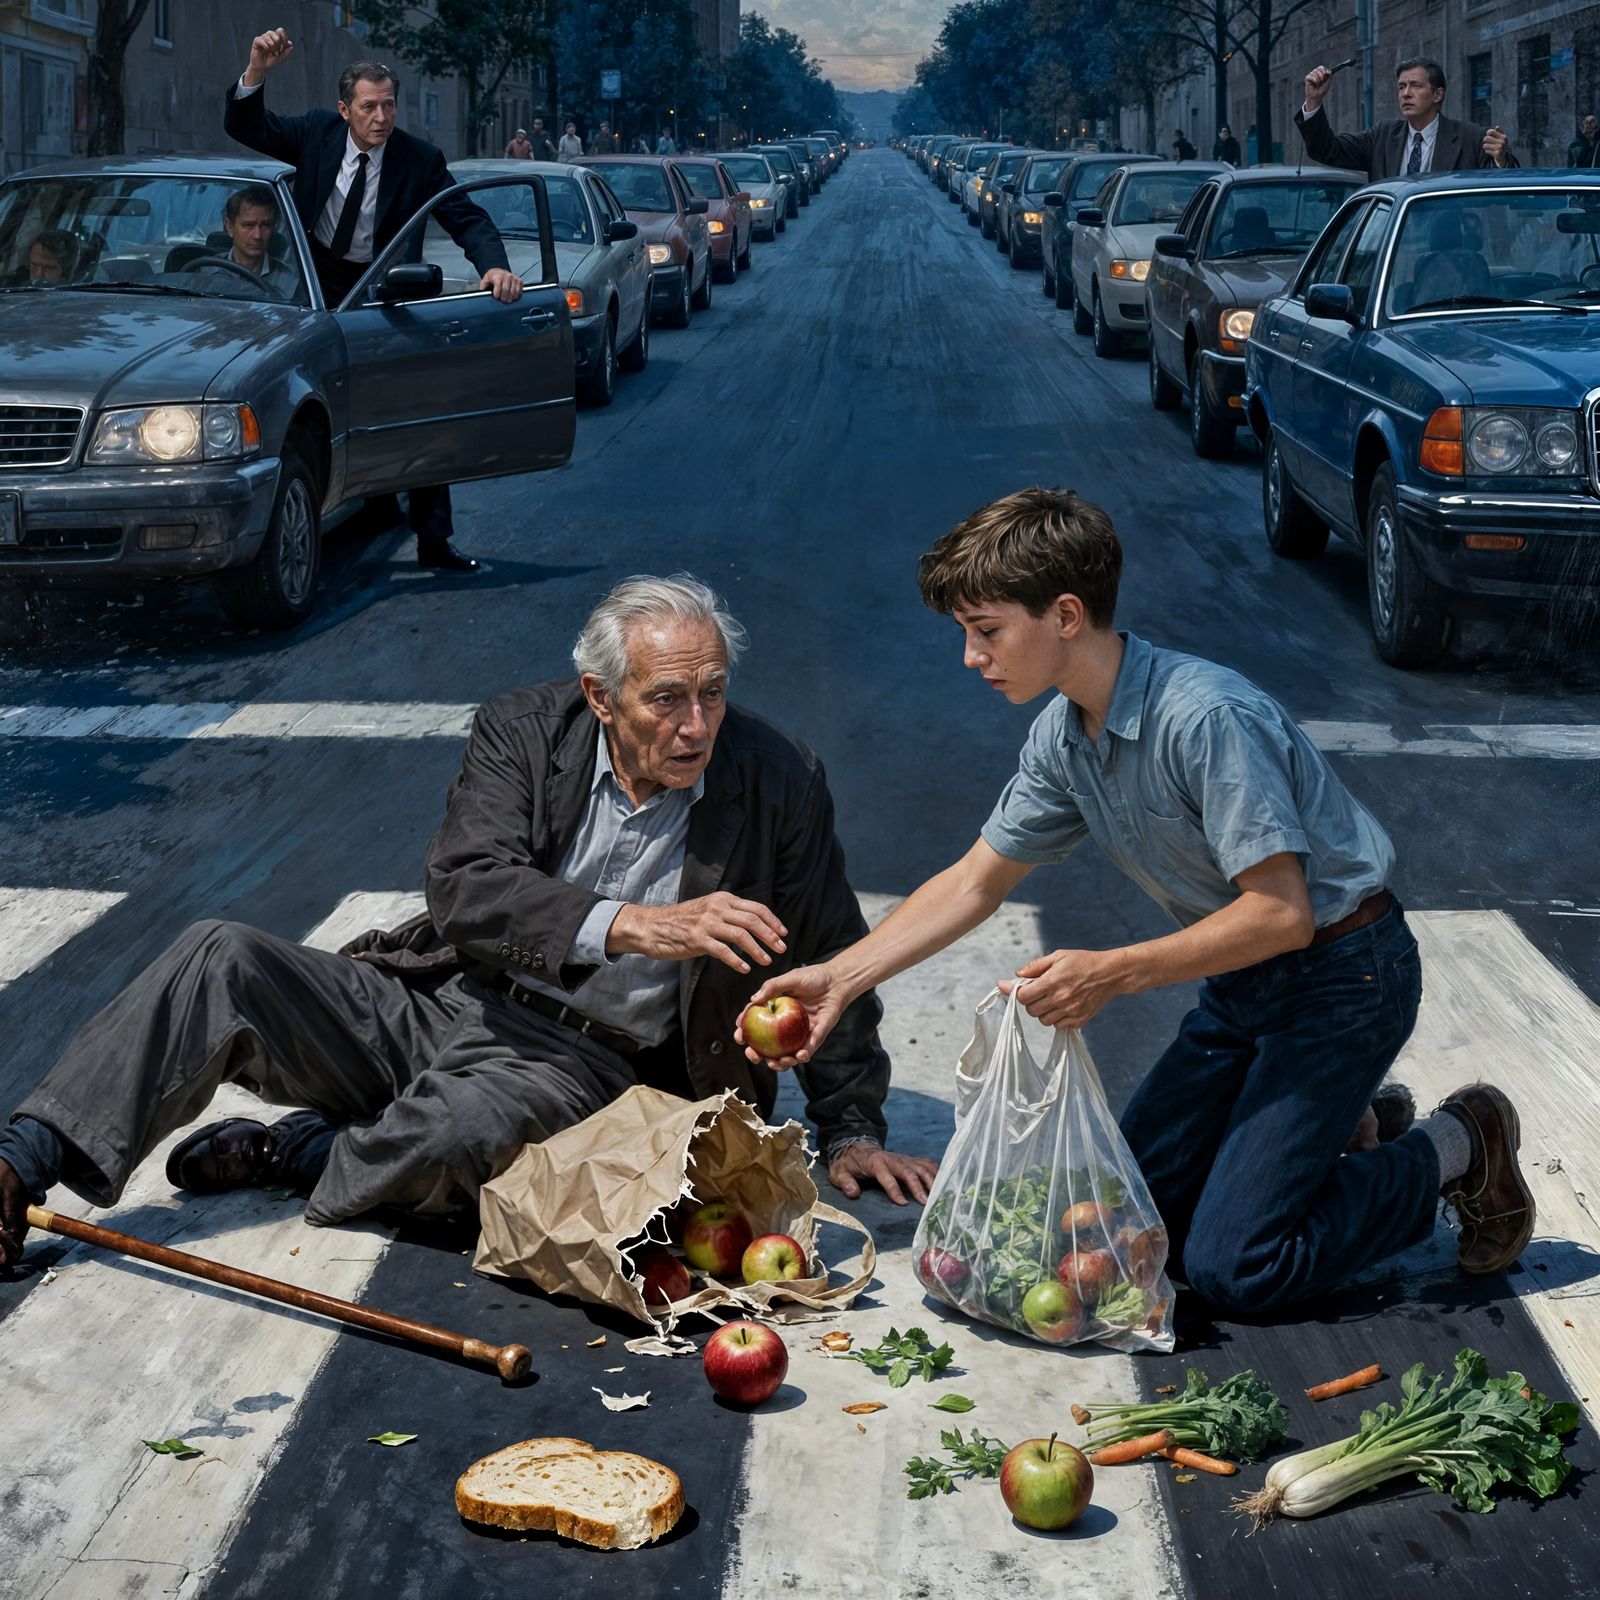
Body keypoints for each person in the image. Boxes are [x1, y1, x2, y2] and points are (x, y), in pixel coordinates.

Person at [739, 489, 1535, 1315]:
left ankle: (1457, 1142)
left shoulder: (1205, 718)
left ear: (1067, 614)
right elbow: (976, 880)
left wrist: (1113, 973)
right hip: (1244, 987)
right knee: (1129, 1226)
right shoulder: (1065, 733)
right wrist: (839, 978)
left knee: (1238, 1267)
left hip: (1344, 979)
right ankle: (1344, 1123)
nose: (972, 657)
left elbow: (1282, 913)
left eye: (987, 630)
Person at [0, 577, 936, 1269]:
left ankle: (306, 1152)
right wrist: (637, 925)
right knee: (220, 957)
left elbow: (828, 952)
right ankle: (19, 1164)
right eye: (667, 700)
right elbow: (466, 887)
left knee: (471, 1128)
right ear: (600, 697)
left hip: (590, 1063)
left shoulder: (778, 779)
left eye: (713, 694)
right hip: (451, 995)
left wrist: (851, 1126)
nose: (697, 726)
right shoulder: (523, 730)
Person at [225, 27, 522, 575]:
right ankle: (347, 505)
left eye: (388, 106)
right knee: (313, 401)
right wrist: (258, 73)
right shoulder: (314, 133)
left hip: (388, 290)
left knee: (421, 406)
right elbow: (247, 125)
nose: (381, 117)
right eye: (369, 107)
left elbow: (466, 217)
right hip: (313, 286)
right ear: (345, 109)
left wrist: (495, 266)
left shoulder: (419, 158)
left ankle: (434, 540)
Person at [1296, 56, 1515, 180]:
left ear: (1437, 94)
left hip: (1448, 253)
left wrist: (1501, 160)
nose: (1406, 93)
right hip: (1393, 249)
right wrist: (1314, 100)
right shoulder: (1382, 136)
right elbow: (1327, 150)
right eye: (1401, 87)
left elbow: (1506, 185)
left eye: (1415, 86)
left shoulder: (1470, 138)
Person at [197, 184, 301, 299]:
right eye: (248, 225)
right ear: (230, 227)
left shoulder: (288, 279)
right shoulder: (205, 271)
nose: (257, 235)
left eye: (266, 225)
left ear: (274, 227)